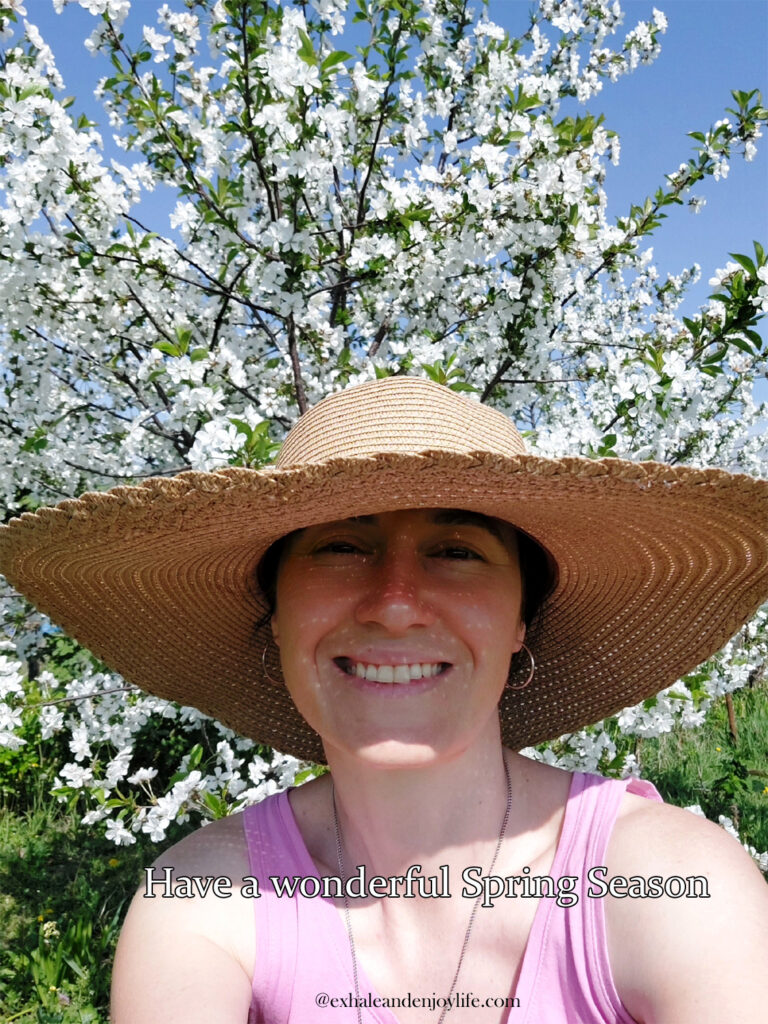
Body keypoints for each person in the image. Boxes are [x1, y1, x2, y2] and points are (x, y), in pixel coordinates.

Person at [1, 375, 767, 1023]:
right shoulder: (204, 901)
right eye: (340, 546)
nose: (396, 604)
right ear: (275, 618)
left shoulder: (675, 884)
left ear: (520, 623)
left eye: (457, 552)